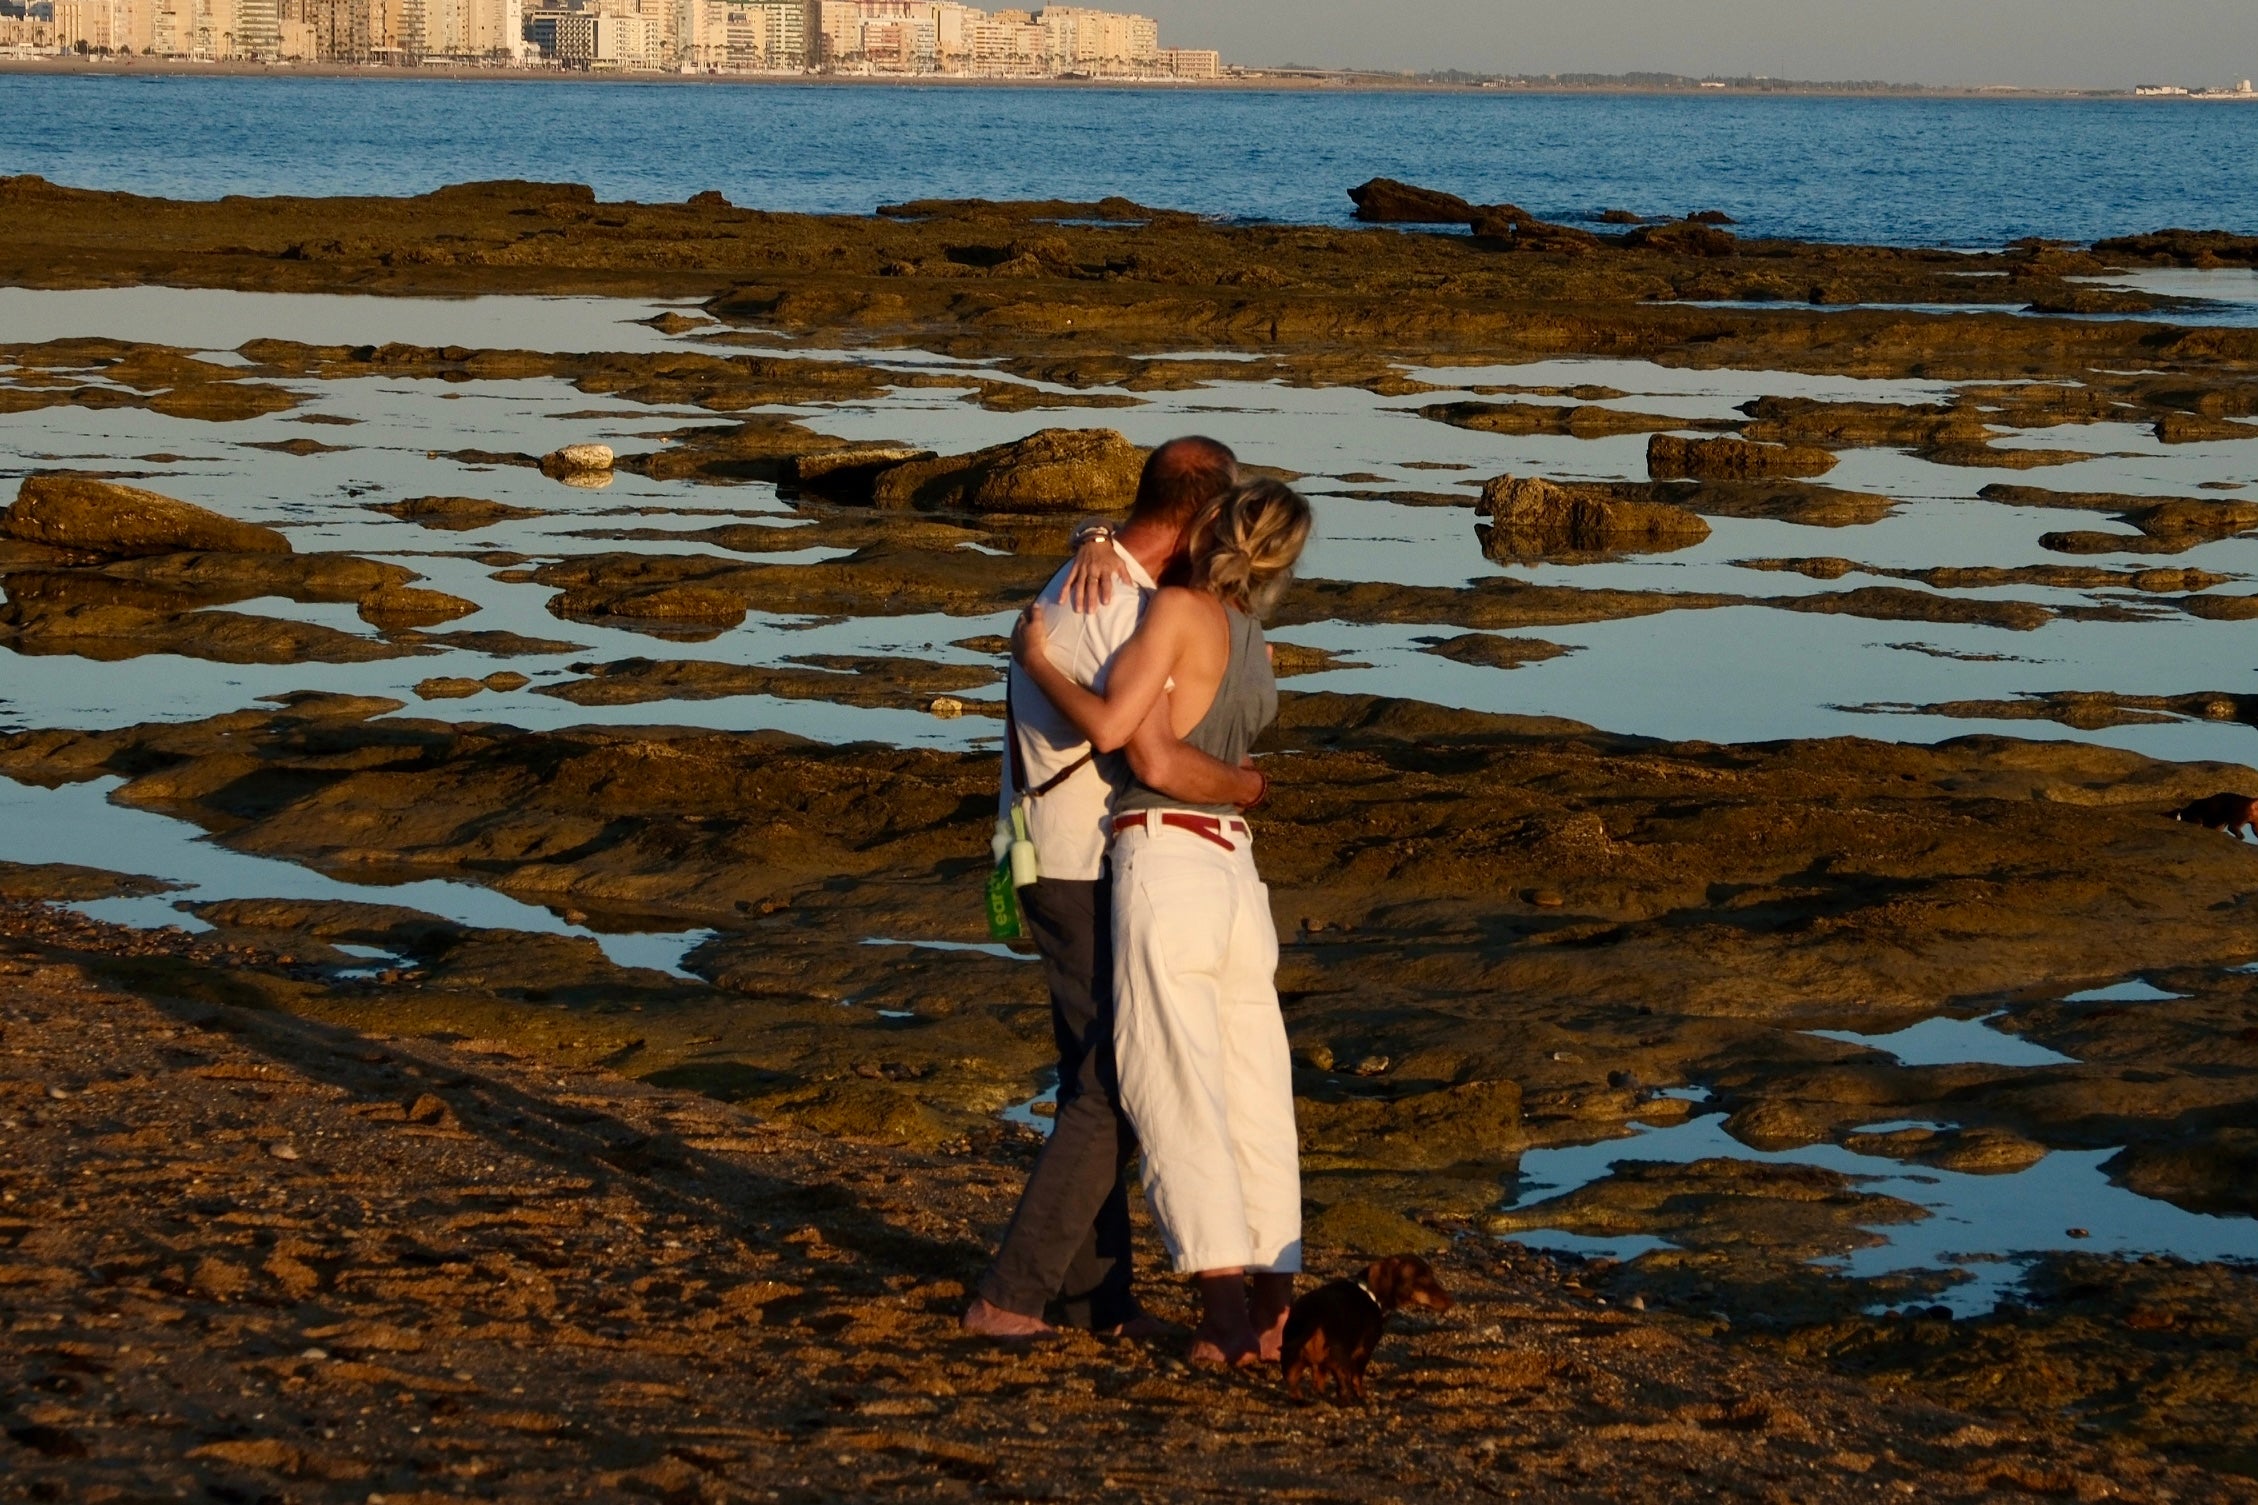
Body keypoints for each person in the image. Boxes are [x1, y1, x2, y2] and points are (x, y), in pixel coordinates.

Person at [962, 437, 1266, 1342]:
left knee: (1092, 1075)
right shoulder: (1127, 603)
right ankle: (1009, 1296)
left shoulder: (1084, 574)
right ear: (1205, 515)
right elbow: (1148, 752)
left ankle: (1094, 1301)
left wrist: (1091, 530)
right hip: (1085, 861)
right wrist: (1247, 787)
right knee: (1113, 1081)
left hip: (1044, 848)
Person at [1012, 477, 1314, 1369]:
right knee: (1258, 1091)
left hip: (1167, 861)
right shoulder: (1256, 639)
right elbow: (1237, 761)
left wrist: (1035, 658)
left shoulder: (1177, 609)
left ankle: (1222, 1323)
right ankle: (1272, 1311)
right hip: (1237, 871)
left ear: (1212, 528)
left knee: (1174, 1090)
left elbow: (1123, 734)